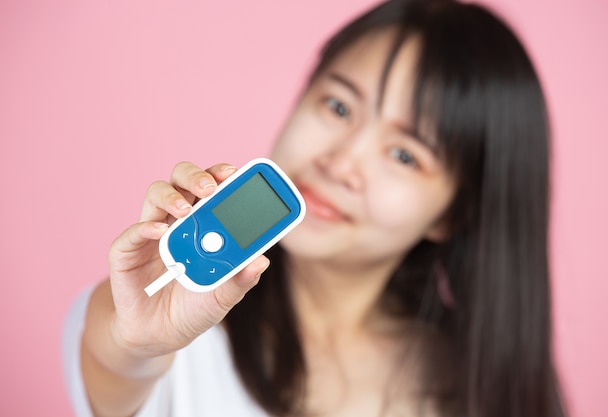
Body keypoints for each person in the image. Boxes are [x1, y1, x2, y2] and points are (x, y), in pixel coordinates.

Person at [63, 0, 568, 416]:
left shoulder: (481, 384)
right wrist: (133, 342)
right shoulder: (179, 322)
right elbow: (116, 362)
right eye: (339, 106)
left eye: (405, 154)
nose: (339, 162)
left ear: (452, 213)